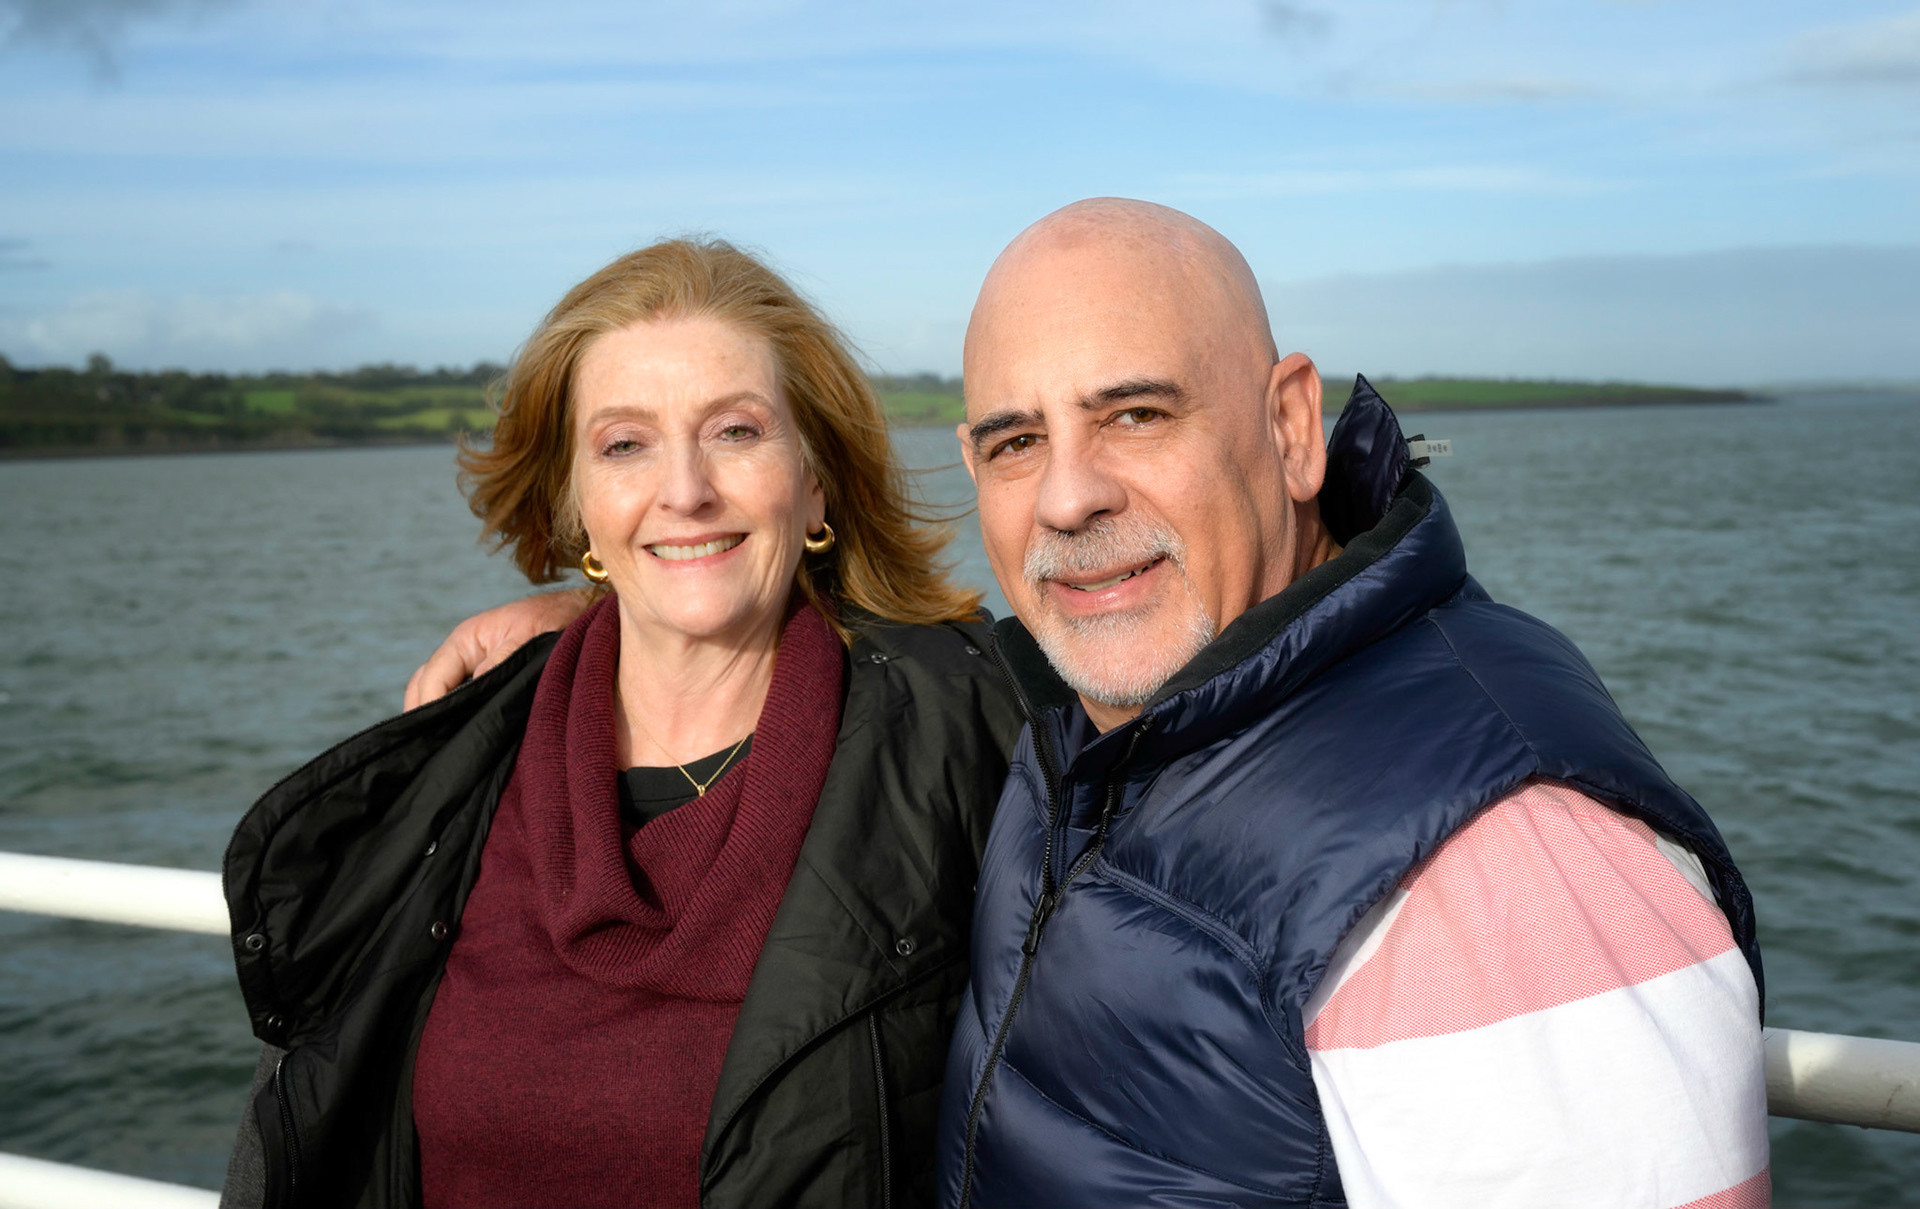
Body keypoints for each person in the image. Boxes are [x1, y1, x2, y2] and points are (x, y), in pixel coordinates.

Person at [415, 200, 1771, 1209]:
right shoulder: (1088, 734)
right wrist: (582, 626)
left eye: (1134, 415)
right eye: (1018, 441)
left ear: (1294, 426)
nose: (1069, 495)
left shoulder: (1492, 846)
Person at [220, 238, 1023, 1209]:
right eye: (625, 445)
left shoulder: (967, 729)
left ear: (817, 481)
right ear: (576, 500)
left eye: (735, 432)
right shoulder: (462, 769)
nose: (684, 490)